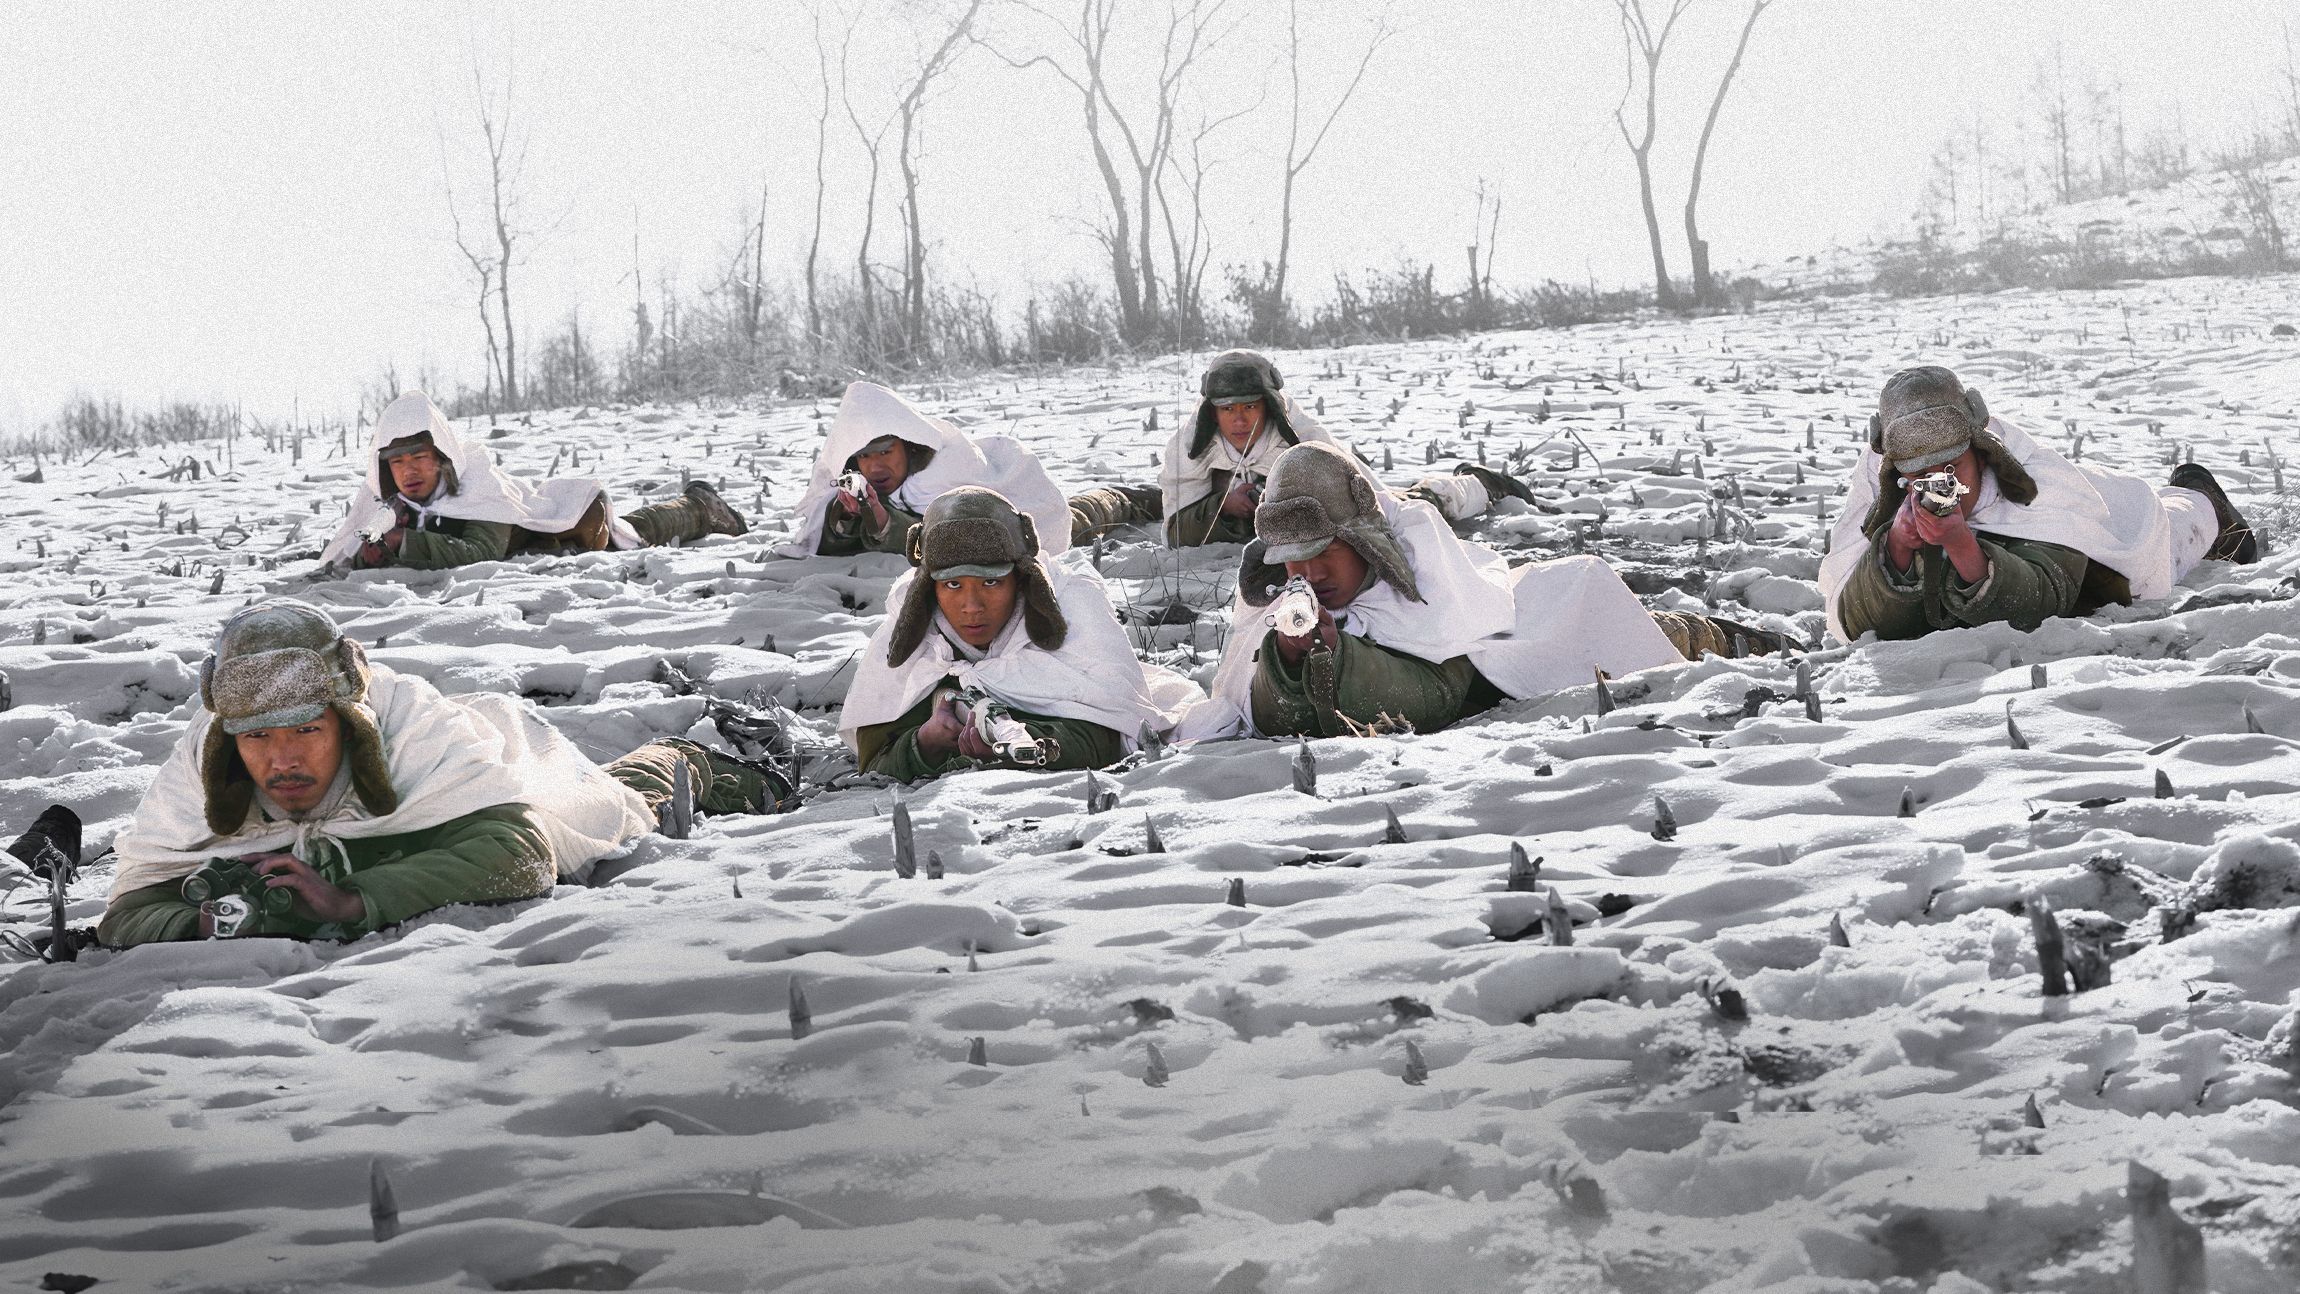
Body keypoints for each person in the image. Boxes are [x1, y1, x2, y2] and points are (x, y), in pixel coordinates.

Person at [99, 599, 790, 947]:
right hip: (420, 832)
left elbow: (521, 855)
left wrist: (351, 902)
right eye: (258, 739)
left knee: (621, 799)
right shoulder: (201, 760)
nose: (281, 760)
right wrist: (209, 923)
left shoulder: (409, 726)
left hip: (496, 775)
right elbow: (126, 911)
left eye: (308, 730)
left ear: (348, 720)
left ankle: (704, 755)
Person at [1182, 442, 1779, 741]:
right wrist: (1294, 658)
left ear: (1361, 539)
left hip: (1527, 631)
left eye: (1320, 555)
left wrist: (1335, 661)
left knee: (1641, 632)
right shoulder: (1285, 607)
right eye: (1290, 564)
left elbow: (1435, 690)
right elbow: (1250, 699)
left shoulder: (1422, 563)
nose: (1306, 575)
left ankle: (1726, 634)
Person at [1819, 365, 2261, 643]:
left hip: (2114, 536)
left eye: (1953, 468)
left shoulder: (2039, 484)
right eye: (1921, 475)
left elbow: (2046, 600)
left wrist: (1963, 547)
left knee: (2176, 531)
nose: (1939, 485)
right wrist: (1896, 547)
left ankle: (2200, 494)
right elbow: (1855, 625)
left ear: (1982, 453)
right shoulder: (1877, 490)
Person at [839, 487, 1199, 781]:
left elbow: (1105, 737)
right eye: (952, 584)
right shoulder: (914, 636)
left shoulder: (1074, 606)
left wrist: (1024, 739)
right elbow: (874, 759)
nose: (972, 605)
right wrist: (926, 741)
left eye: (991, 581)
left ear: (1021, 580)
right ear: (928, 590)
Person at [319, 391, 751, 571]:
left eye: (420, 457)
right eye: (398, 463)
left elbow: (482, 551)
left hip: (571, 519)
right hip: (535, 528)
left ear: (443, 458)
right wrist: (370, 554)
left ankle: (699, 508)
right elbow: (349, 550)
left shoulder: (477, 486)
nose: (409, 471)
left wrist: (404, 544)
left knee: (632, 532)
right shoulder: (392, 500)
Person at [1157, 349, 1536, 549]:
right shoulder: (1189, 448)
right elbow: (1174, 531)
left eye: (1249, 407)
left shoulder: (1307, 439)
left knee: (1423, 506)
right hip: (1247, 526)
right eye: (1227, 410)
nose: (1239, 420)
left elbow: (1380, 514)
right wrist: (1225, 506)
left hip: (1323, 506)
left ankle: (1483, 483)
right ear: (1212, 413)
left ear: (1268, 406)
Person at [778, 381, 1108, 558]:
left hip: (1042, 513)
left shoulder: (945, 473)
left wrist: (884, 522)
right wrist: (849, 517)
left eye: (885, 451)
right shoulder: (863, 485)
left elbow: (947, 536)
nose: (876, 466)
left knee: (1100, 508)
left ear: (907, 446)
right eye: (864, 456)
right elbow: (825, 541)